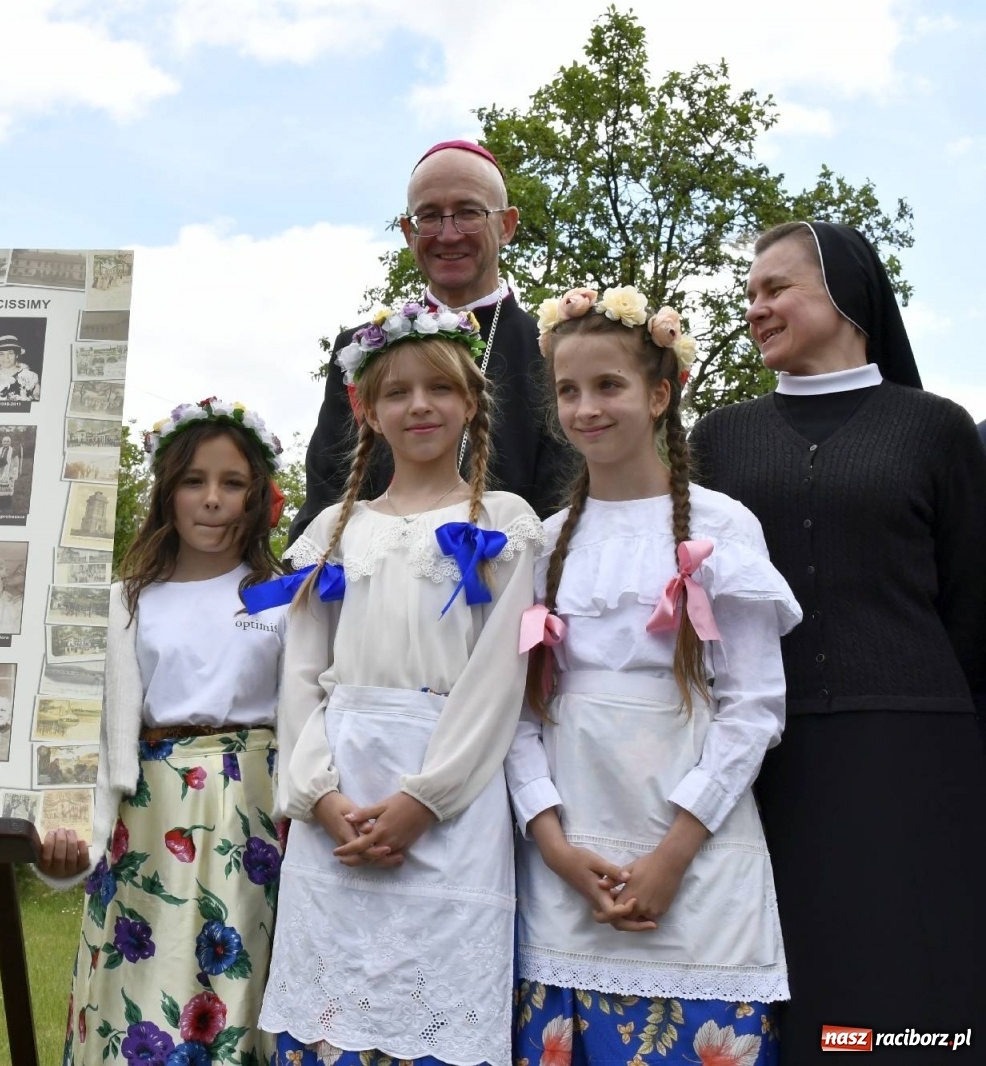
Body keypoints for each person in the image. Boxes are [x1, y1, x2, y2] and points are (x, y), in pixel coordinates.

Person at [690, 221, 986, 1056]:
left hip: (917, 756)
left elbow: (972, 603)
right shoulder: (719, 438)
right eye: (749, 294)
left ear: (847, 295)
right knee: (801, 997)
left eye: (775, 288)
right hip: (766, 761)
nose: (756, 308)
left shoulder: (935, 428)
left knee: (915, 999)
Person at [506, 287, 799, 1063]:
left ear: (661, 393)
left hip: (693, 863)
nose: (586, 408)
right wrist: (555, 845)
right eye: (569, 390)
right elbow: (517, 717)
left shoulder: (723, 527)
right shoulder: (541, 544)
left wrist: (672, 854)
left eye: (609, 385)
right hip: (568, 871)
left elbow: (753, 708)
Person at [253, 303, 541, 1065]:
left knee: (437, 1023)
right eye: (398, 392)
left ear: (471, 402)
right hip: (341, 799)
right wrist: (321, 795)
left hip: (451, 797)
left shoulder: (505, 523)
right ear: (367, 410)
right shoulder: (333, 535)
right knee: (330, 1020)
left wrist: (426, 799)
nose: (420, 405)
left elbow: (497, 680)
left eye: (440, 389)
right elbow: (302, 673)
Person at [36, 396, 288, 1066]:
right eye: (194, 481)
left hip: (251, 817)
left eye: (232, 484)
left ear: (258, 495)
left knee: (235, 979)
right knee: (142, 985)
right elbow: (88, 734)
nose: (212, 500)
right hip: (148, 815)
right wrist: (70, 833)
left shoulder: (282, 596)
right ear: (167, 492)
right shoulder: (126, 601)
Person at [293, 139, 565, 540]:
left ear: (506, 225)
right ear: (408, 231)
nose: (448, 234)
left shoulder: (552, 352)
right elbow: (327, 496)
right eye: (430, 216)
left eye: (469, 213)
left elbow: (562, 504)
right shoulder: (360, 351)